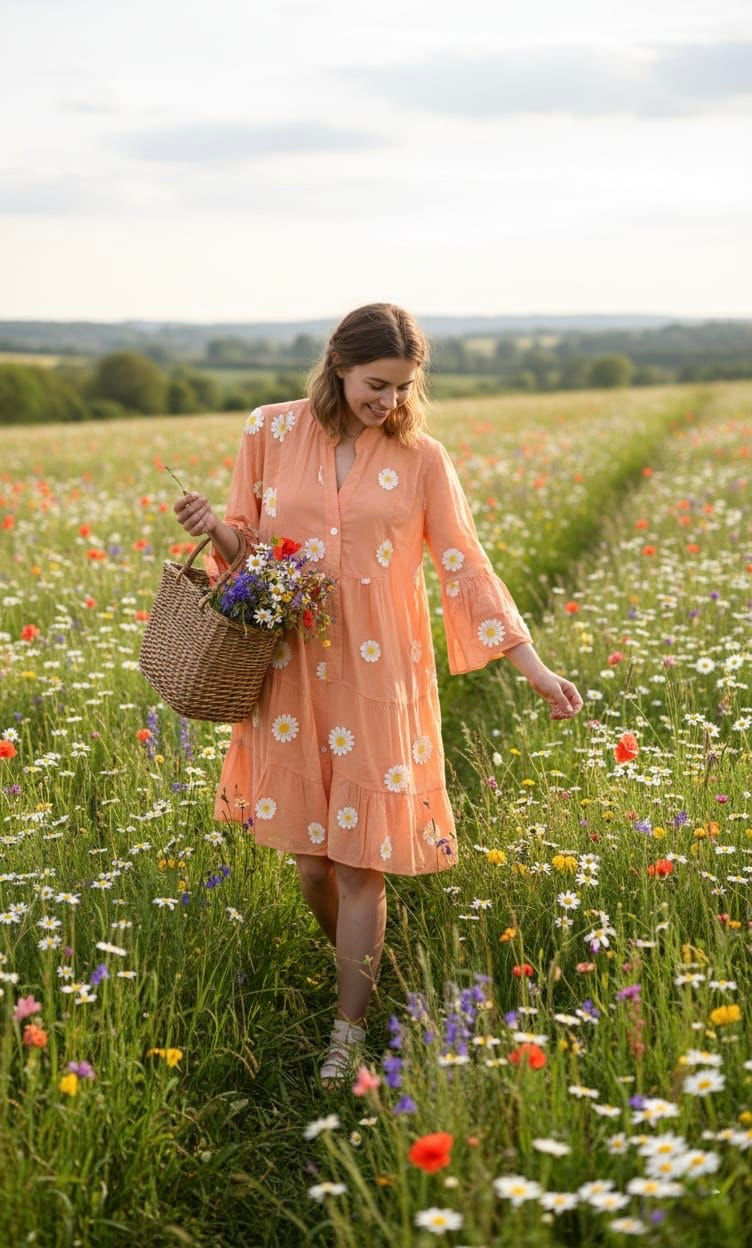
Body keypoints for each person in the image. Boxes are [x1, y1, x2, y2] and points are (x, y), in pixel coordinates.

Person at [173, 303, 583, 1089]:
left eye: (402, 388)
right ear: (338, 364)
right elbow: (245, 548)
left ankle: (348, 1027)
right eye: (377, 384)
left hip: (381, 675)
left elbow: (467, 562)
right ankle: (357, 966)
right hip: (290, 669)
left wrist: (533, 666)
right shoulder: (269, 431)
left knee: (363, 866)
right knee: (311, 865)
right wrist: (211, 527)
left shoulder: (421, 458)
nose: (389, 402)